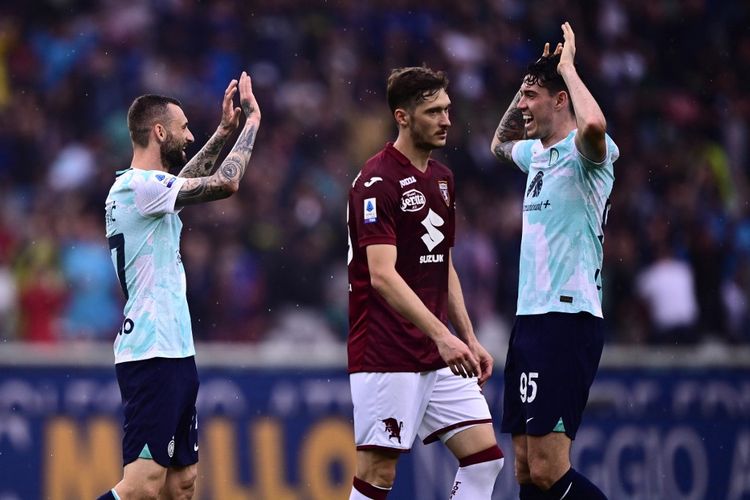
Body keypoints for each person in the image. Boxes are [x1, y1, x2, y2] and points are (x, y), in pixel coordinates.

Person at [98, 71, 260, 500]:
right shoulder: (136, 186)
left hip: (174, 349)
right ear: (158, 131)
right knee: (140, 488)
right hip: (151, 353)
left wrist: (225, 130)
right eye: (184, 126)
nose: (189, 135)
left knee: (181, 485)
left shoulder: (147, 191)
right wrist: (251, 125)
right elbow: (225, 182)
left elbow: (184, 181)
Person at [346, 66, 504, 500]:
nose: (446, 120)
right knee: (377, 475)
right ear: (402, 116)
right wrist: (443, 336)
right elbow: (381, 276)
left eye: (448, 110)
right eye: (434, 111)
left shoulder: (442, 179)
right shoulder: (377, 181)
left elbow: (443, 264)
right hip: (386, 351)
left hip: (436, 351)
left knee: (485, 458)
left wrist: (467, 338)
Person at [489, 23, 617, 500]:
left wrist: (566, 68)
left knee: (548, 469)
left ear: (561, 100)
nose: (523, 105)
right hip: (530, 319)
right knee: (523, 466)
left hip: (568, 317)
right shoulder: (537, 156)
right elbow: (496, 145)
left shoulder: (589, 156)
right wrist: (528, 82)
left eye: (533, 96)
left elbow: (595, 126)